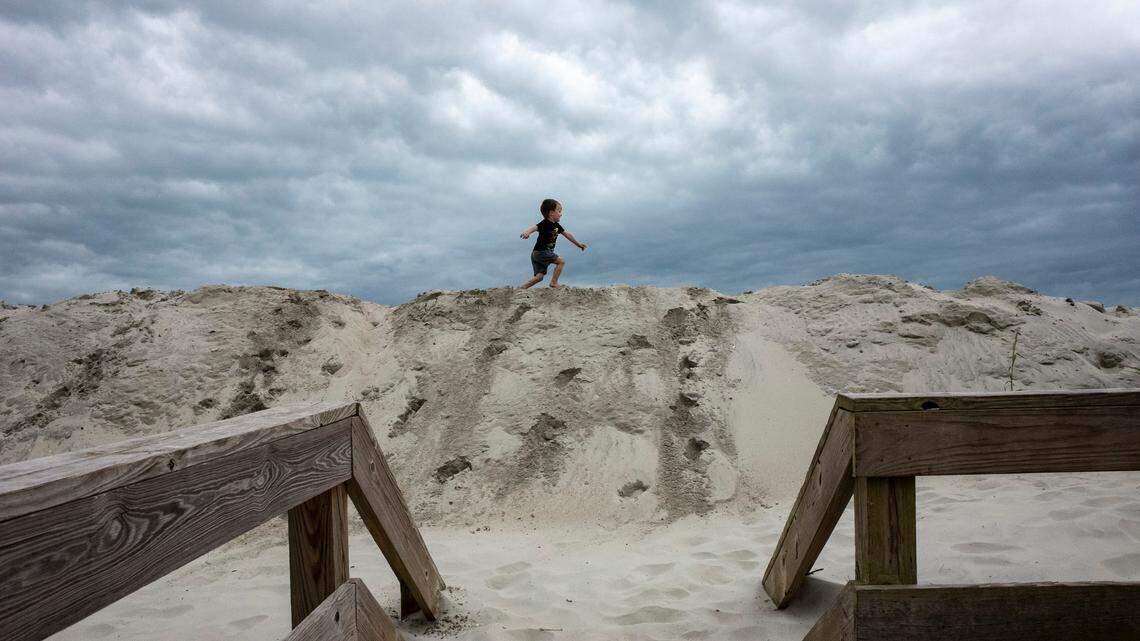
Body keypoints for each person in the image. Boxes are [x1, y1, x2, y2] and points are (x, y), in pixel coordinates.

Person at [518, 198, 586, 288]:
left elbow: (567, 234)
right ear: (551, 213)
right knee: (561, 261)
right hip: (543, 252)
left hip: (536, 253)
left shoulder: (557, 226)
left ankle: (522, 288)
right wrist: (527, 232)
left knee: (539, 277)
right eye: (559, 211)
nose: (561, 214)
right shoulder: (545, 223)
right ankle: (554, 282)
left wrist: (578, 244)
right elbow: (535, 227)